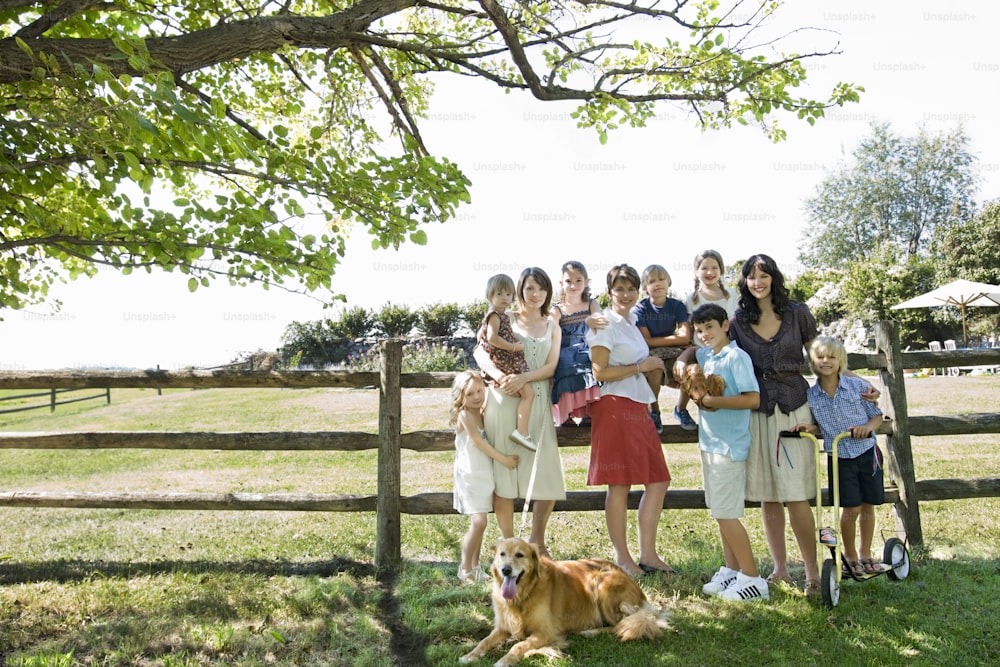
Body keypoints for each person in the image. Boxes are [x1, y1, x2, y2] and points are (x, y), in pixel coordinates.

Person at [728, 253, 879, 597]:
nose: (758, 282)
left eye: (763, 275)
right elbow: (716, 351)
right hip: (757, 408)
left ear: (774, 278)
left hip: (795, 407)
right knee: (768, 495)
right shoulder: (737, 320)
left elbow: (825, 355)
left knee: (795, 493)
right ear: (745, 282)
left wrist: (859, 383)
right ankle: (780, 569)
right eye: (751, 277)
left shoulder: (797, 312)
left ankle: (813, 573)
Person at [586, 263, 675, 577]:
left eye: (630, 288)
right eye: (619, 289)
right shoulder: (603, 324)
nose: (625, 294)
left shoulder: (632, 322)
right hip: (613, 406)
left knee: (658, 479)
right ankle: (623, 558)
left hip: (637, 406)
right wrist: (641, 367)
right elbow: (601, 372)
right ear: (610, 292)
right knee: (620, 483)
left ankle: (648, 555)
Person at [473, 267, 567, 557]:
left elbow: (551, 367)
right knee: (505, 472)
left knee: (546, 473)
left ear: (548, 291)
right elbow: (480, 351)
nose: (535, 294)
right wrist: (500, 377)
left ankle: (537, 541)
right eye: (529, 288)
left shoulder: (553, 326)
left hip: (536, 402)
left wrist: (524, 378)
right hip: (503, 400)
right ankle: (509, 543)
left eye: (541, 288)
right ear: (520, 290)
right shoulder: (504, 318)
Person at [688, 304, 768, 602]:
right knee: (719, 511)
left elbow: (752, 399)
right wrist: (684, 363)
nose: (704, 334)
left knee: (726, 513)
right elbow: (689, 353)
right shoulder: (706, 355)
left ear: (725, 325)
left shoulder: (736, 357)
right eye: (699, 330)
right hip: (710, 443)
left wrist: (712, 400)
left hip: (729, 445)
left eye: (709, 327)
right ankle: (732, 570)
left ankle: (753, 578)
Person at [793, 336, 885, 577]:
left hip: (867, 452)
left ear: (841, 361)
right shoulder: (811, 396)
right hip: (840, 455)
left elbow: (877, 416)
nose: (826, 361)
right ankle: (850, 555)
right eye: (820, 357)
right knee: (850, 507)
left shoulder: (856, 387)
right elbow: (821, 425)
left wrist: (868, 427)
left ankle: (866, 553)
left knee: (868, 505)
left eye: (832, 357)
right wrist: (811, 429)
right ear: (812, 361)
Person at [449, 370, 521, 584]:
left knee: (482, 523)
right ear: (461, 396)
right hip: (470, 475)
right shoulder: (464, 415)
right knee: (479, 522)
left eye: (479, 391)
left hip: (485, 475)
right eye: (470, 394)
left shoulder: (481, 412)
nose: (477, 396)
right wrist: (504, 460)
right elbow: (479, 443)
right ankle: (464, 568)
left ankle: (476, 567)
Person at [674, 250, 740, 429]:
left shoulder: (731, 295)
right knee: (693, 374)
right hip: (700, 348)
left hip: (726, 348)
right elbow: (689, 327)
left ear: (721, 270)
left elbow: (736, 323)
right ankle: (681, 408)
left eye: (714, 267)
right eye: (704, 268)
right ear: (696, 272)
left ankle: (723, 417)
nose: (709, 272)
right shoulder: (693, 299)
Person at [478, 273, 537, 452]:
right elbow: (492, 338)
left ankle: (521, 430)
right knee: (528, 393)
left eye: (508, 294)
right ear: (490, 296)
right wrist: (513, 347)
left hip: (506, 362)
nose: (505, 298)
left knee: (527, 393)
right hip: (504, 362)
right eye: (499, 294)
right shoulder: (495, 315)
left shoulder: (503, 315)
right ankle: (522, 432)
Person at [632, 264, 692, 433]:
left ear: (668, 282)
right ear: (645, 287)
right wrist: (675, 339)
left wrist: (675, 341)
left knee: (689, 366)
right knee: (655, 368)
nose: (657, 284)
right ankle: (655, 411)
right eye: (651, 281)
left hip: (675, 352)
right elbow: (646, 342)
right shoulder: (641, 308)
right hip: (651, 353)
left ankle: (681, 409)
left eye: (661, 279)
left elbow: (686, 337)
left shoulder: (677, 306)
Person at [550, 261, 601, 427]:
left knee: (589, 361)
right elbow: (551, 331)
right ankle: (568, 413)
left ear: (587, 282)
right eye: (568, 281)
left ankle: (588, 411)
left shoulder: (591, 304)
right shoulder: (557, 309)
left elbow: (599, 323)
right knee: (566, 363)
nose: (573, 285)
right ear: (561, 283)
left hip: (588, 346)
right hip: (564, 349)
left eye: (578, 280)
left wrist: (593, 319)